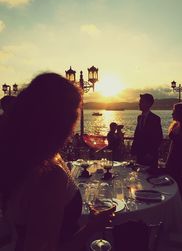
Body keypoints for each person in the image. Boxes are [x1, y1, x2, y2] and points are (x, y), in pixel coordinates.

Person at [0, 72, 115, 251]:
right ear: (65, 118)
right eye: (77, 109)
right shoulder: (49, 174)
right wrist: (92, 227)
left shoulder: (24, 156)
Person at [131, 93, 163, 170]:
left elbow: (158, 137)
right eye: (140, 101)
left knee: (150, 177)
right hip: (140, 154)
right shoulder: (139, 117)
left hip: (150, 156)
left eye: (142, 102)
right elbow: (137, 134)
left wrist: (150, 153)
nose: (139, 103)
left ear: (148, 104)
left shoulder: (155, 119)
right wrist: (133, 151)